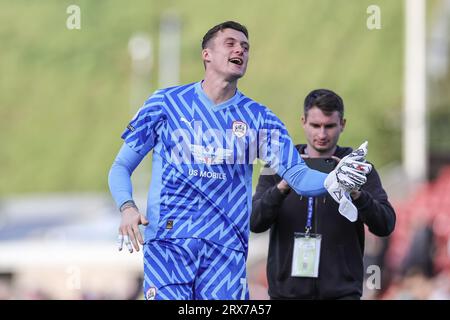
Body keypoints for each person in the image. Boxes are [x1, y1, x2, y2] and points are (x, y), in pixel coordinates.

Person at [108, 22, 368, 300]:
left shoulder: (260, 119)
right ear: (206, 54)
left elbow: (299, 177)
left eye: (245, 47)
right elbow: (121, 167)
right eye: (230, 43)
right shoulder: (165, 103)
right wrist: (127, 206)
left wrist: (333, 179)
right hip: (169, 243)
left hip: (225, 251)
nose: (240, 50)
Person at [250, 89, 396, 300]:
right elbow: (255, 222)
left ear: (342, 124)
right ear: (303, 121)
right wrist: (282, 187)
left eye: (329, 126)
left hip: (342, 293)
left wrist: (356, 193)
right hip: (286, 294)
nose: (322, 134)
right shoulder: (278, 165)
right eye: (315, 125)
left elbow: (385, 224)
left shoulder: (359, 168)